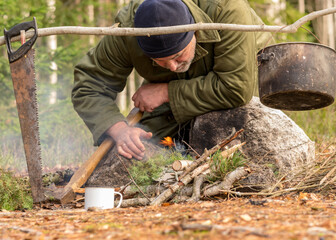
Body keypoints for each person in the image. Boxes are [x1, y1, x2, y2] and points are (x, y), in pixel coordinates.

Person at [72, 0, 272, 160]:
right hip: (171, 106)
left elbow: (236, 87)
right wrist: (119, 130)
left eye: (178, 57)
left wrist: (164, 92)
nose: (173, 67)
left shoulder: (226, 9)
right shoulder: (128, 30)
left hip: (237, 81)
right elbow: (89, 85)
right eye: (160, 62)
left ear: (195, 32)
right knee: (131, 156)